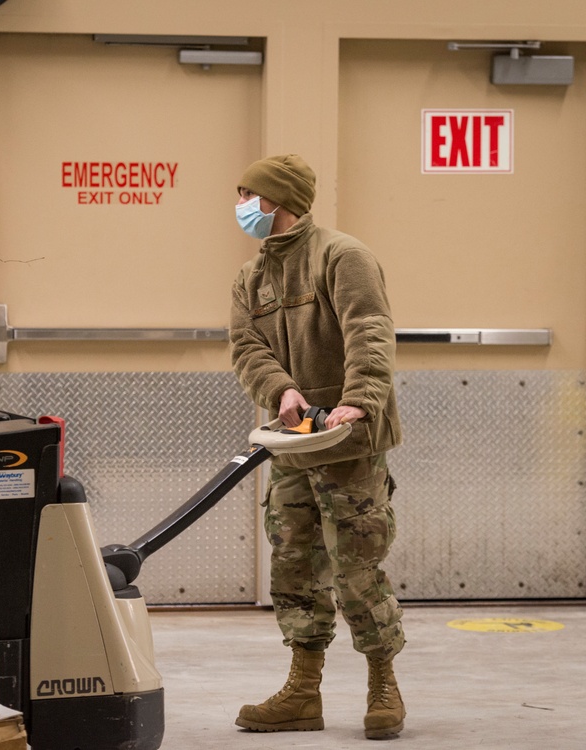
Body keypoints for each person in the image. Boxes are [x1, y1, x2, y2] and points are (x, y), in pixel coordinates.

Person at [229, 154, 406, 740]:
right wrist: (279, 391)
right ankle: (303, 692)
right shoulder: (251, 276)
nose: (242, 205)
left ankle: (383, 683)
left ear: (280, 201)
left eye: (250, 194)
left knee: (357, 563)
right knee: (294, 565)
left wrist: (361, 398)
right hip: (294, 444)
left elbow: (370, 329)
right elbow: (246, 346)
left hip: (349, 439)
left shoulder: (342, 256)